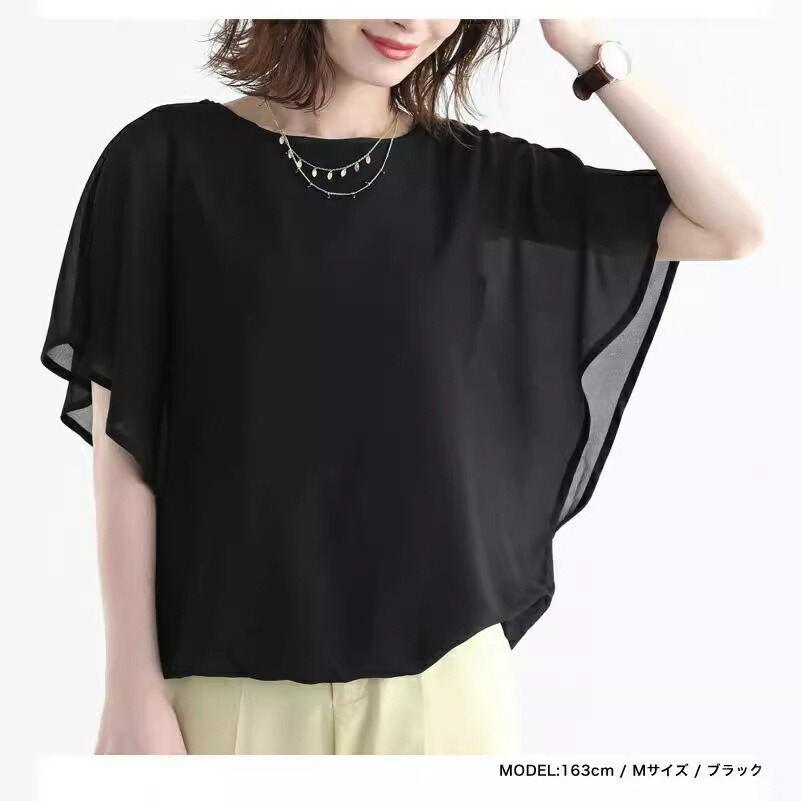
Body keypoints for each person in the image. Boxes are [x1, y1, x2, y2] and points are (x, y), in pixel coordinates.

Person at [39, 19, 764, 756]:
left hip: (442, 695)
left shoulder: (479, 176)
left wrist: (582, 45)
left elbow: (729, 226)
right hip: (226, 694)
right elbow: (123, 449)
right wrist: (129, 686)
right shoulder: (163, 160)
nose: (409, 19)